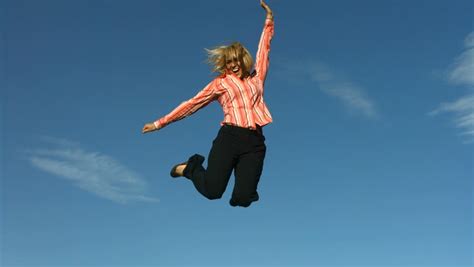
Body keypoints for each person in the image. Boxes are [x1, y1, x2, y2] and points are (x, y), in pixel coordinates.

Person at [142, 0, 274, 207]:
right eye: (229, 62)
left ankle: (247, 191)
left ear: (243, 60)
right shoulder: (220, 84)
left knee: (241, 198)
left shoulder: (256, 78)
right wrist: (160, 123)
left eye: (236, 60)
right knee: (213, 191)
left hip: (255, 142)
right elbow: (192, 104)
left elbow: (263, 52)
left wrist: (269, 22)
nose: (233, 65)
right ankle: (190, 168)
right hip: (230, 138)